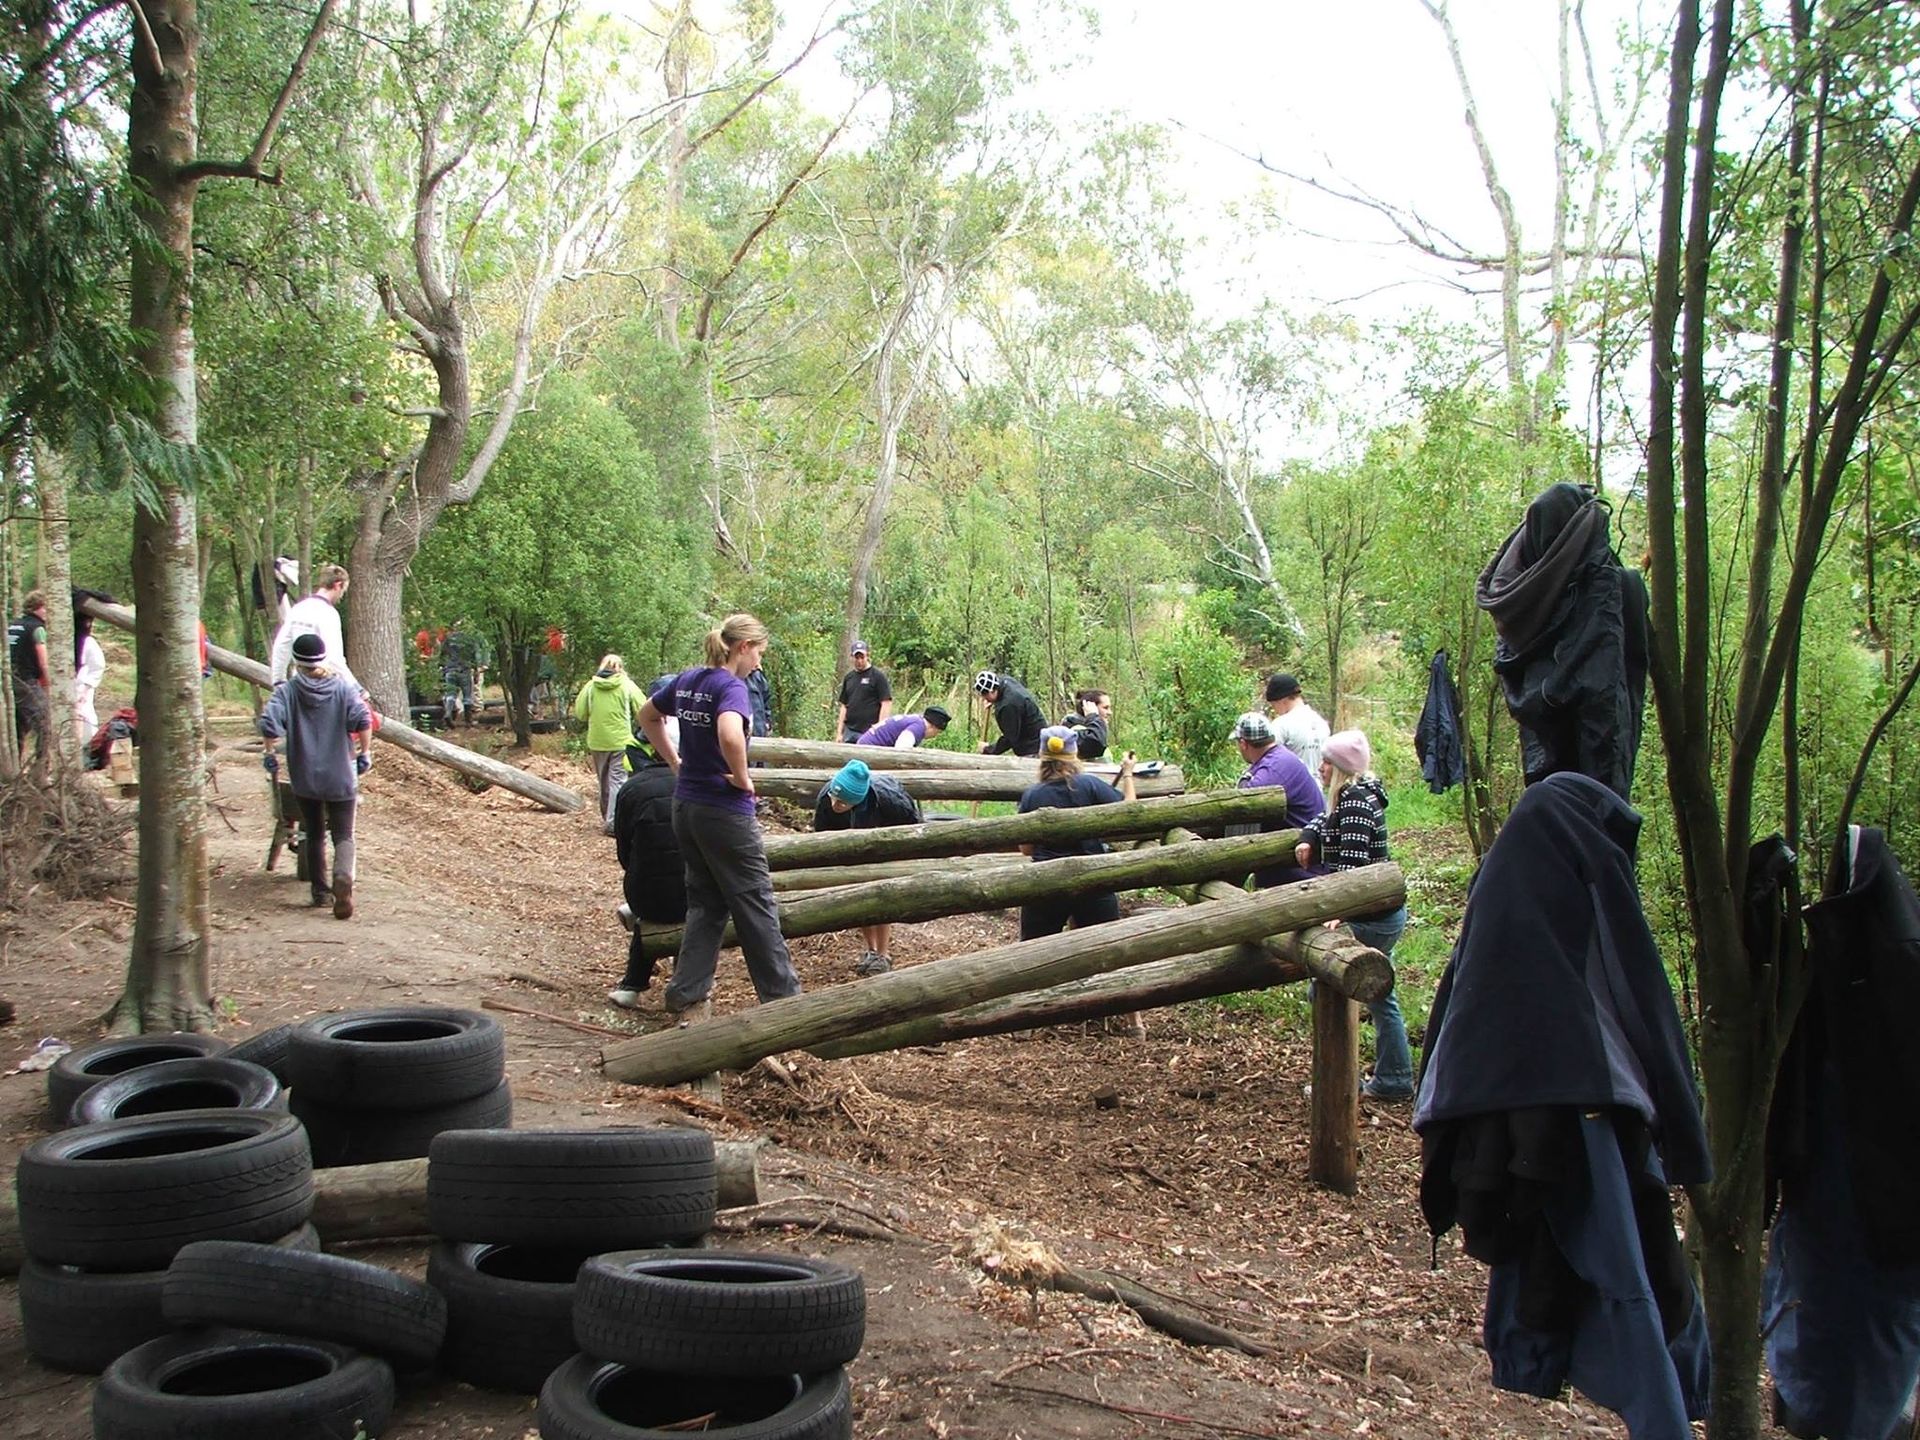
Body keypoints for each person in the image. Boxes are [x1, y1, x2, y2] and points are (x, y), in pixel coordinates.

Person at [637, 613, 804, 1022]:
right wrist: (744, 778)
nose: (759, 664)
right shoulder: (732, 686)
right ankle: (784, 1001)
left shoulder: (690, 679)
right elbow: (731, 734)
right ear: (742, 647)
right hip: (724, 810)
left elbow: (647, 716)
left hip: (688, 805)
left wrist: (675, 761)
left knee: (707, 902)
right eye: (759, 653)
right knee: (755, 902)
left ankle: (686, 990)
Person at [1292, 729, 1414, 1101]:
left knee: (1328, 986)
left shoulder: (1357, 804)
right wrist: (1309, 837)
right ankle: (1394, 1077)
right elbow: (1322, 819)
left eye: (1328, 762)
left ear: (1341, 768)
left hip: (1372, 915)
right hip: (1375, 911)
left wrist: (1338, 914)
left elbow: (1354, 869)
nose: (1322, 767)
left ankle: (1339, 1080)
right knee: (1379, 994)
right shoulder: (1345, 798)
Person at [258, 632, 372, 919]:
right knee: (344, 834)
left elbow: (269, 724)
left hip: (305, 776)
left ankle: (321, 893)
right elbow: (363, 719)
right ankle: (343, 876)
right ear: (323, 658)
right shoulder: (343, 689)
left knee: (315, 832)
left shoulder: (287, 692)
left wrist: (269, 753)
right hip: (340, 774)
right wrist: (365, 753)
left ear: (296, 661)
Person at [1015, 726, 1138, 940]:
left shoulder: (1031, 795)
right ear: (1074, 755)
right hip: (1093, 879)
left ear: (1042, 756)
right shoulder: (1089, 784)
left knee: (1035, 948)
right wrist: (1127, 773)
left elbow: (1026, 849)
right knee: (1105, 946)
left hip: (1045, 882)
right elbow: (1130, 812)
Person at [812, 758, 922, 975]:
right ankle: (870, 949)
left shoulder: (891, 800)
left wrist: (900, 858)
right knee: (859, 896)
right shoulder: (827, 798)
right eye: (835, 797)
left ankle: (883, 954)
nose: (835, 805)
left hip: (887, 844)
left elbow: (913, 830)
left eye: (842, 803)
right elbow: (821, 837)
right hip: (850, 848)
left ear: (858, 799)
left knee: (882, 896)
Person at [607, 718, 687, 1010]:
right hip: (698, 897)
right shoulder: (705, 785)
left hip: (645, 894)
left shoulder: (631, 789)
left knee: (652, 902)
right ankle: (684, 981)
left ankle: (632, 984)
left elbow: (624, 854)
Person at [1232, 711, 1327, 888]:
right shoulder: (1279, 758)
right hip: (1296, 859)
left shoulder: (1274, 769)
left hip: (1302, 870)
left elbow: (1242, 803)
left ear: (1243, 743)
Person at [574, 654, 647, 833]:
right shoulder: (627, 685)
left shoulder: (590, 687)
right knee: (618, 781)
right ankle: (613, 821)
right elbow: (643, 709)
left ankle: (607, 817)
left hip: (597, 741)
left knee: (603, 782)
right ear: (620, 668)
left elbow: (580, 713)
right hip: (620, 741)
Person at [269, 563, 360, 693]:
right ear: (337, 585)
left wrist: (278, 681)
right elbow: (335, 658)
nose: (341, 596)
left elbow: (281, 646)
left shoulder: (298, 609)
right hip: (325, 687)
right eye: (343, 590)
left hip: (300, 683)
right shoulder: (329, 614)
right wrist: (357, 689)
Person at [8, 590, 51, 763]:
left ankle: (14, 766)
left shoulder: (13, 625)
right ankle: (40, 769)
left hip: (9, 681)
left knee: (17, 726)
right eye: (46, 608)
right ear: (38, 608)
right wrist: (48, 684)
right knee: (45, 723)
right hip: (27, 682)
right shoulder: (38, 629)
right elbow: (44, 661)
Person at [1264, 673, 1329, 774]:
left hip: (1291, 787)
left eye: (1273, 705)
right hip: (1317, 787)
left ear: (1281, 700)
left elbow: (1269, 762)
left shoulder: (1281, 725)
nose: (1274, 710)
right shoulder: (1321, 723)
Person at [973, 670, 1045, 757]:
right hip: (1037, 738)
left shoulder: (1009, 705)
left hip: (1033, 747)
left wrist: (988, 749)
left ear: (992, 691)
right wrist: (993, 700)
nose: (984, 699)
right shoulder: (1004, 681)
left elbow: (1010, 738)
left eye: (985, 696)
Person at [834, 640, 892, 742]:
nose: (859, 661)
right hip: (850, 730)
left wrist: (879, 728)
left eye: (862, 657)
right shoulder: (849, 678)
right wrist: (839, 732)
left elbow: (886, 703)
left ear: (867, 656)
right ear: (852, 657)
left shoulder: (878, 676)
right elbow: (844, 706)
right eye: (857, 658)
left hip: (869, 731)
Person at [439, 626, 486, 729]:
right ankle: (468, 721)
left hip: (450, 670)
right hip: (464, 670)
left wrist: (442, 667)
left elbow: (442, 655)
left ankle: (447, 714)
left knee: (450, 695)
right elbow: (475, 657)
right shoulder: (469, 641)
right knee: (467, 697)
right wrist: (476, 672)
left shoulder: (448, 639)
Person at [73, 613, 106, 750]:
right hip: (65, 685)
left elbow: (98, 665)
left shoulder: (88, 642)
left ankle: (89, 749)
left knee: (86, 717)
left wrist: (86, 688)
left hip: (82, 686)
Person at [856, 705, 950, 749]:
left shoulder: (915, 719)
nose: (934, 736)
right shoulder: (918, 727)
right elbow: (902, 749)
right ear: (932, 726)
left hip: (865, 744)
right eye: (937, 732)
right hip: (869, 749)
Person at [1059, 689, 1112, 761]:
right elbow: (1096, 744)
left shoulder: (1094, 731)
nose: (1110, 712)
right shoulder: (1077, 730)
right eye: (1105, 708)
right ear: (1091, 708)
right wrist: (1093, 716)